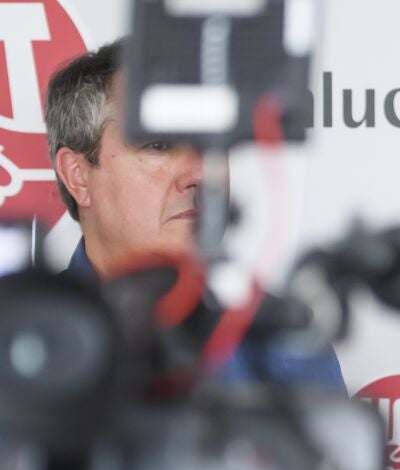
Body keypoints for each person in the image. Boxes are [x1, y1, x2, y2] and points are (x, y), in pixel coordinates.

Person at [45, 38, 343, 388]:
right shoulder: (22, 336)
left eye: (210, 147)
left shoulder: (285, 341)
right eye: (158, 145)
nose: (201, 175)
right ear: (78, 176)